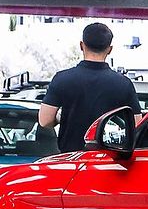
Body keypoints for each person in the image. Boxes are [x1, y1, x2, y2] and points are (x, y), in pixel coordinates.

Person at [39, 22, 141, 153]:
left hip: (72, 157)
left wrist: (62, 118)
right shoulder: (124, 83)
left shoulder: (62, 79)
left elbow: (45, 120)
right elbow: (136, 123)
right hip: (109, 158)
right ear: (110, 49)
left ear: (81, 45)